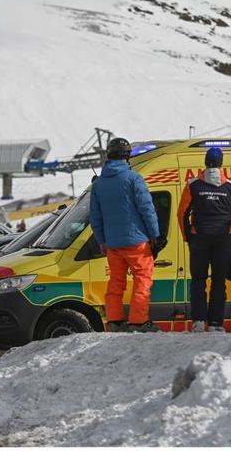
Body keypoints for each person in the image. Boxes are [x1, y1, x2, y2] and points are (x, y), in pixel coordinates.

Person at [90, 137, 164, 333]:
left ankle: (114, 321)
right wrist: (155, 235)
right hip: (137, 241)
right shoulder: (134, 178)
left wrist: (102, 241)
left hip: (113, 244)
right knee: (142, 279)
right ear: (127, 156)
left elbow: (95, 217)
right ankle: (138, 322)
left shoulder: (98, 185)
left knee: (115, 282)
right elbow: (146, 209)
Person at [177, 147, 231, 333]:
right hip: (223, 241)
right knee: (218, 281)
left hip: (199, 239)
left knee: (198, 280)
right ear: (221, 164)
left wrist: (189, 237)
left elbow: (182, 213)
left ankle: (198, 321)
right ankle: (216, 324)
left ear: (205, 162)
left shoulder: (193, 185)